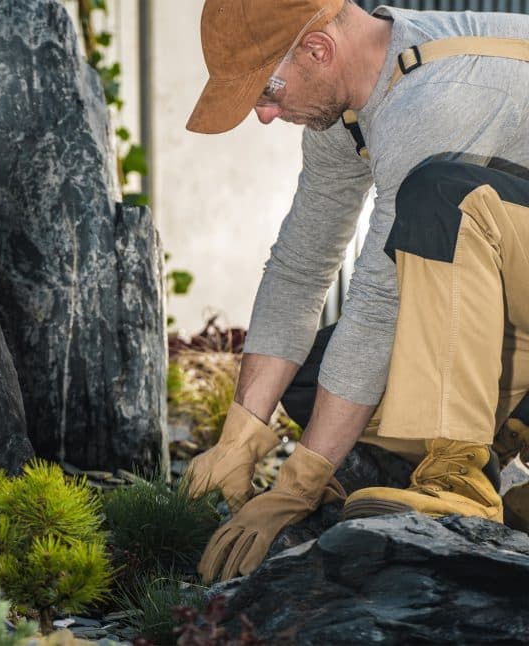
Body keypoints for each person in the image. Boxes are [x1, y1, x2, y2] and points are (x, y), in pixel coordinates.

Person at [183, 0, 529, 583]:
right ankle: (505, 421)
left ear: (318, 50)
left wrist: (298, 484)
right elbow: (300, 265)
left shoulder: (434, 97)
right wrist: (240, 436)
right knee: (313, 380)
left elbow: (377, 304)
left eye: (265, 92)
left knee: (442, 200)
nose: (264, 115)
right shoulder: (349, 109)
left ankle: (461, 482)